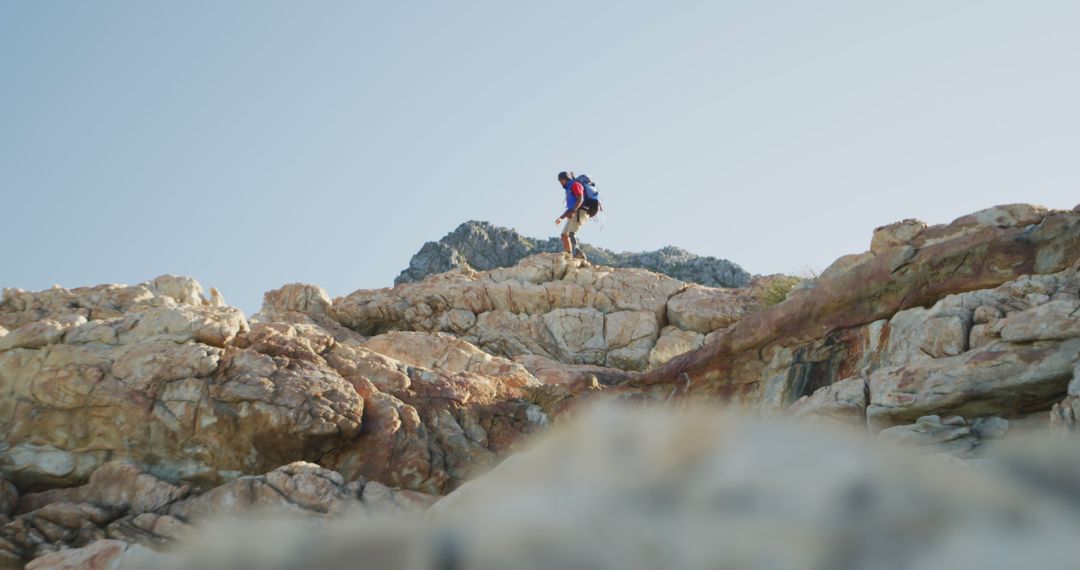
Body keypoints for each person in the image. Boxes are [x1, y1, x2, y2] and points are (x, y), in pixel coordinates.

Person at [555, 171, 589, 262]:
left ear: (565, 179)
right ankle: (568, 256)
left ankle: (579, 253)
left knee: (571, 233)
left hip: (581, 211)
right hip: (574, 212)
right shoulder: (569, 189)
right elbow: (570, 207)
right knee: (564, 235)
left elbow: (580, 198)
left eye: (561, 180)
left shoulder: (575, 185)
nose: (560, 183)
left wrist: (573, 211)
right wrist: (561, 218)